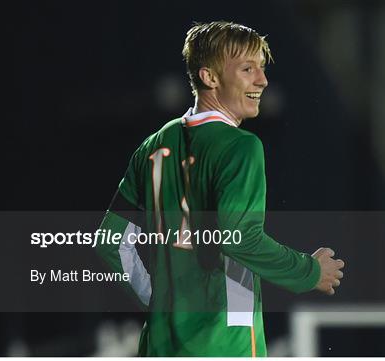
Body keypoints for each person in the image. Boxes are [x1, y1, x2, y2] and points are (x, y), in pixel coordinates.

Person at [97, 21, 345, 356]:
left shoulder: (153, 146)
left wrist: (160, 303)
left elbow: (110, 242)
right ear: (209, 77)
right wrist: (309, 271)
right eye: (247, 69)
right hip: (223, 342)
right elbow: (240, 237)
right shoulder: (240, 147)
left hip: (160, 345)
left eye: (261, 67)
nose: (262, 80)